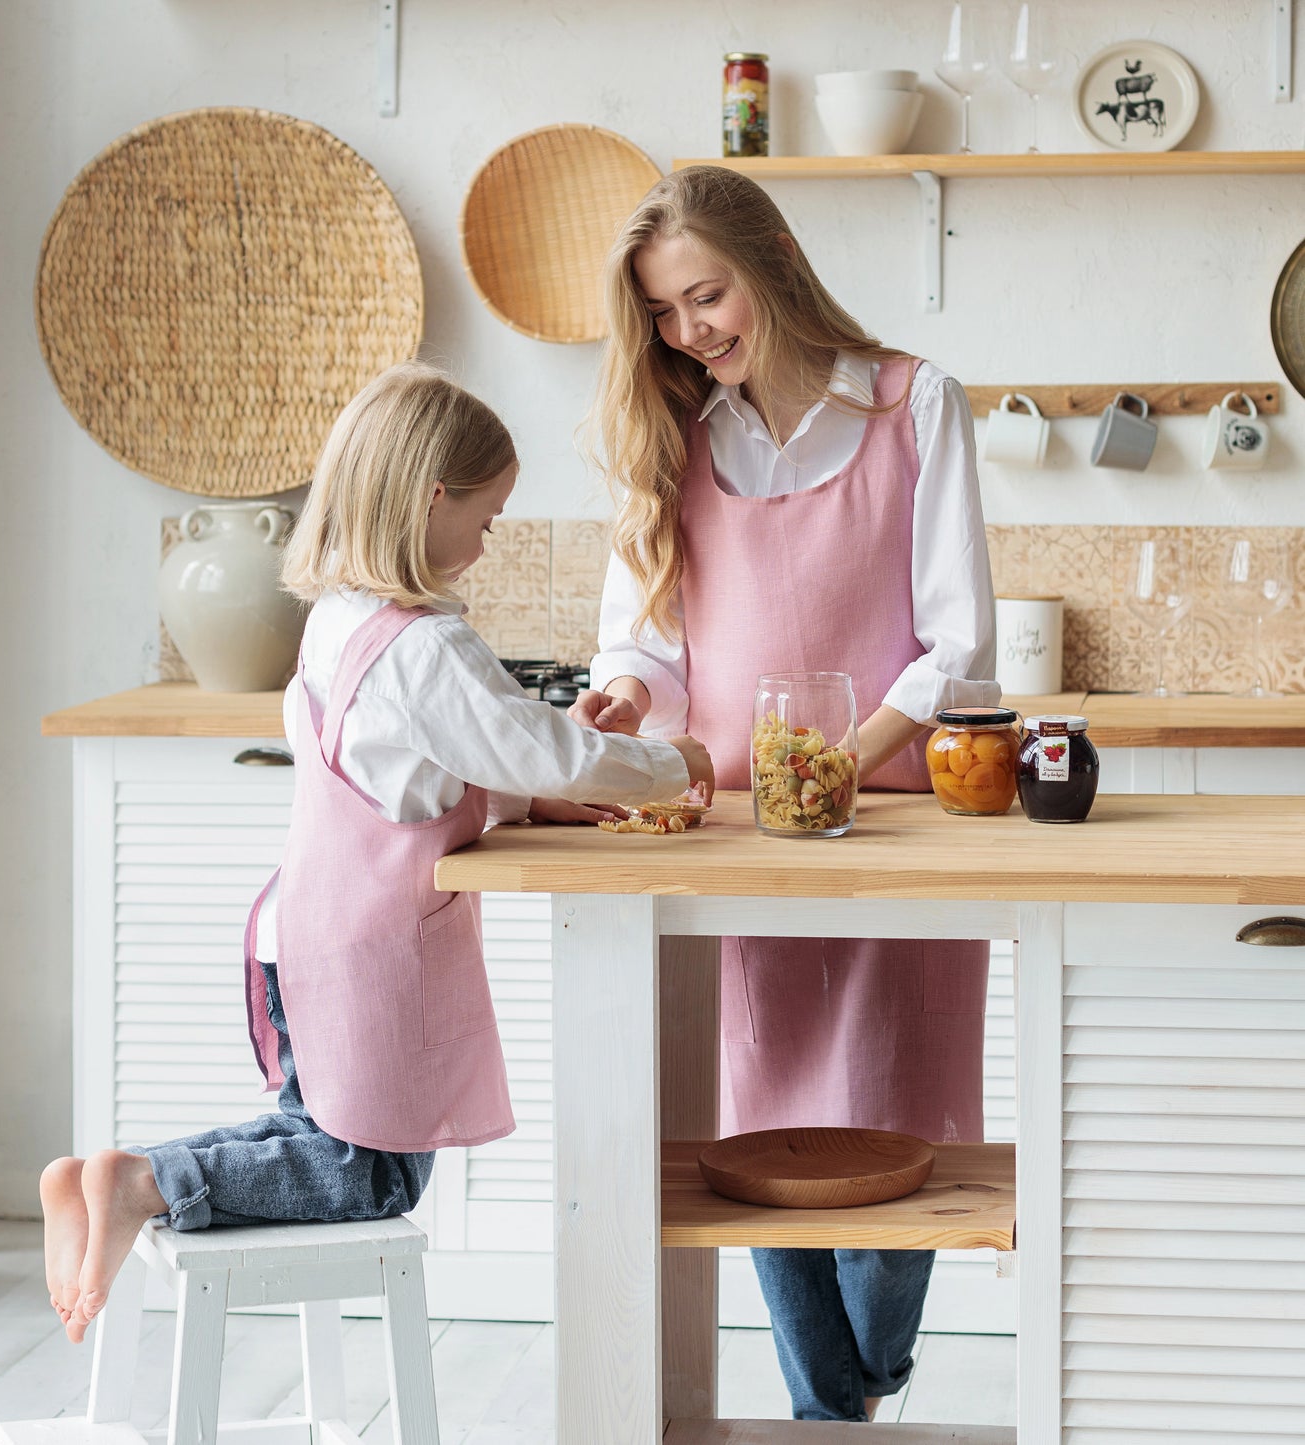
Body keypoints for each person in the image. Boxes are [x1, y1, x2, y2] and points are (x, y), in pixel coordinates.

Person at [40, 362, 714, 1345]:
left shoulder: (337, 623)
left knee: (318, 1134)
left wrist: (539, 788)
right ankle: (147, 1180)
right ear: (431, 496)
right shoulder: (424, 643)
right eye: (485, 516)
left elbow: (426, 766)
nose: (488, 542)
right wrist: (666, 763)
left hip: (300, 930)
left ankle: (112, 1173)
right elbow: (527, 745)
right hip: (369, 949)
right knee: (374, 1168)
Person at [569, 165, 1000, 1423]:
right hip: (729, 837)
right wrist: (620, 705)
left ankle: (856, 1379)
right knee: (755, 1127)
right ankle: (832, 1412)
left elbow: (954, 644)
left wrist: (837, 762)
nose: (690, 330)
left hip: (892, 825)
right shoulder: (676, 439)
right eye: (662, 312)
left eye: (705, 294)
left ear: (770, 265)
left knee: (900, 1111)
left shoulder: (915, 405)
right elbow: (644, 646)